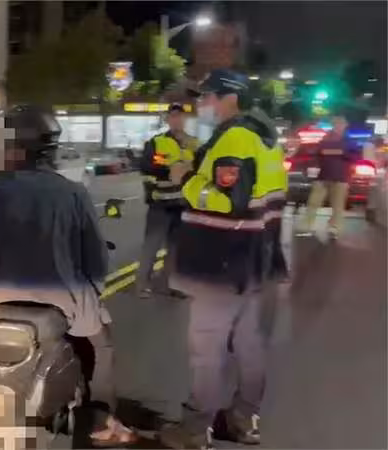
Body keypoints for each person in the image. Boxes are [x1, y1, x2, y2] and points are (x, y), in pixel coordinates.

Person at [0, 105, 136, 447]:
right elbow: (95, 259)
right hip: (61, 294)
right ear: (49, 146)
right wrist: (92, 292)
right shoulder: (72, 192)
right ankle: (101, 421)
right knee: (102, 345)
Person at [159, 70, 285, 449]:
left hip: (222, 261)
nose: (203, 104)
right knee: (248, 344)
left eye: (207, 97)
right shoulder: (266, 139)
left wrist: (186, 179)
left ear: (229, 97)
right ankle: (245, 420)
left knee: (206, 350)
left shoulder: (236, 138)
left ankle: (195, 430)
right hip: (254, 259)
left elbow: (229, 201)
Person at [137, 103, 197, 299]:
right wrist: (169, 170)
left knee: (176, 249)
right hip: (160, 204)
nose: (176, 120)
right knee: (152, 246)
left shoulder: (194, 144)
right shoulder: (156, 142)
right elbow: (146, 166)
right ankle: (142, 285)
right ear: (167, 120)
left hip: (184, 205)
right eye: (173, 116)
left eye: (180, 116)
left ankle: (167, 285)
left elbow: (201, 168)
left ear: (185, 119)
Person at [298, 112, 360, 238]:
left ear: (345, 125)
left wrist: (341, 153)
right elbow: (318, 153)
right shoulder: (325, 139)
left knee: (337, 206)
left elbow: (356, 157)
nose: (338, 126)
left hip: (341, 178)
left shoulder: (350, 141)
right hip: (323, 176)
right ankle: (307, 227)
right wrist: (337, 152)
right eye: (336, 123)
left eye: (341, 123)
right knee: (313, 202)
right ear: (333, 125)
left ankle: (334, 228)